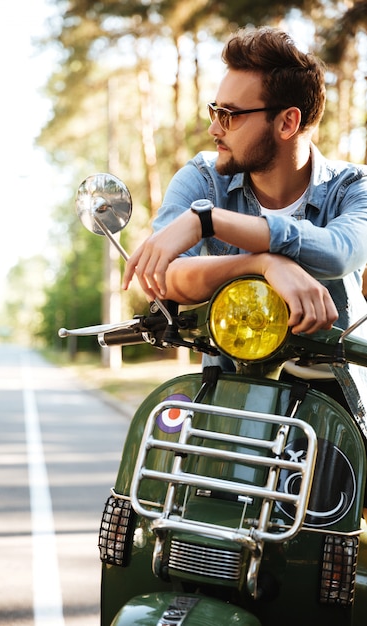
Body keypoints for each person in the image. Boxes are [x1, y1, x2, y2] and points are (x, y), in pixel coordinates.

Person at [122, 27, 367, 438]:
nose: (215, 128)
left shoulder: (352, 187)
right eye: (215, 111)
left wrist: (211, 221)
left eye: (230, 115)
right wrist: (262, 263)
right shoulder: (203, 178)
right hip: (229, 390)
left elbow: (341, 253)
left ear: (288, 122)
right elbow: (165, 276)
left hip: (338, 401)